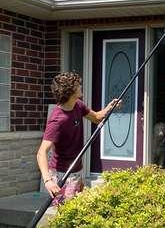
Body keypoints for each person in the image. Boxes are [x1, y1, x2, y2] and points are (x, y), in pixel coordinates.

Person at [37, 72, 121, 205]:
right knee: (67, 213)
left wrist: (110, 107)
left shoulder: (78, 105)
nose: (80, 86)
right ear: (70, 91)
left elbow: (97, 117)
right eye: (78, 85)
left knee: (77, 210)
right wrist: (47, 180)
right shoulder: (57, 120)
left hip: (77, 169)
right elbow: (41, 152)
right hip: (62, 174)